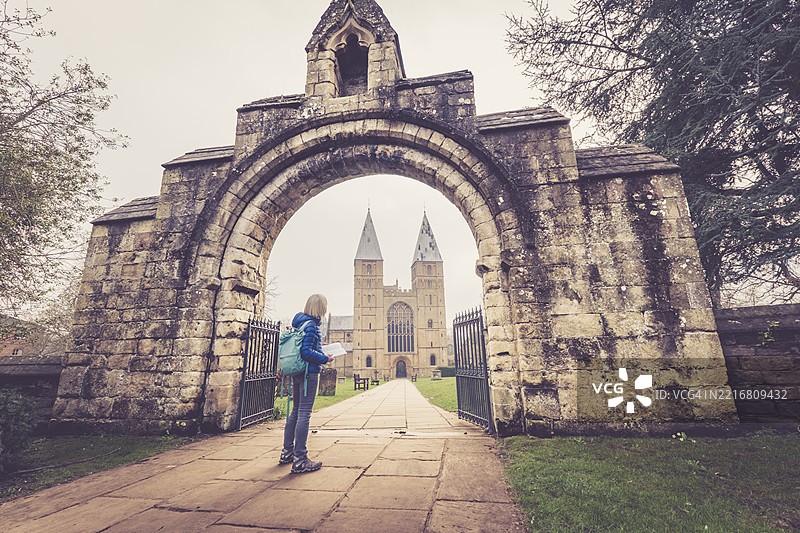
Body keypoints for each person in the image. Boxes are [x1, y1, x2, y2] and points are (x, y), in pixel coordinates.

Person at [280, 293, 333, 474]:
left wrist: (320, 347)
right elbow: (305, 352)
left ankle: (287, 453)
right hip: (308, 373)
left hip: (298, 372)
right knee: (304, 413)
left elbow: (306, 346)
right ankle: (300, 460)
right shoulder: (311, 325)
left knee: (295, 412)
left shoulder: (300, 323)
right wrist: (325, 358)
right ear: (320, 307)